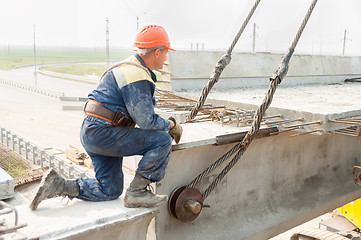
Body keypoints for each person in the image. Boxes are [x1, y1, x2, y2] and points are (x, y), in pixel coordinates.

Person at [29, 25, 183, 210]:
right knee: (162, 140)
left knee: (109, 189)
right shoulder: (137, 75)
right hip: (105, 132)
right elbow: (147, 121)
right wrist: (171, 124)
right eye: (166, 53)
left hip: (92, 132)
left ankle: (59, 185)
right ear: (157, 52)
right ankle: (137, 192)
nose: (166, 58)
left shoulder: (125, 67)